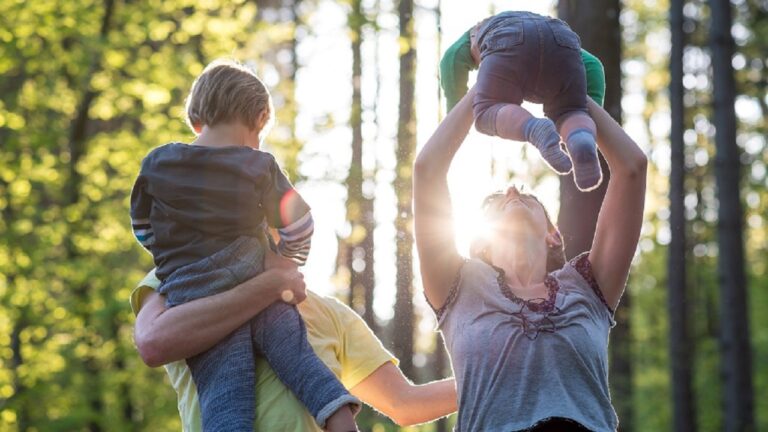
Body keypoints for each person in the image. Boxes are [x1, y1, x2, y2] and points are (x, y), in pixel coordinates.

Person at [129, 59, 357, 431]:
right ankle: (339, 419)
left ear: (195, 118)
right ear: (260, 117)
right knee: (300, 362)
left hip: (193, 291)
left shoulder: (157, 163)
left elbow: (142, 226)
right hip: (252, 272)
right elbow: (300, 225)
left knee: (224, 394)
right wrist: (283, 260)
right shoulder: (258, 165)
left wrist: (170, 257)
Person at [413, 84, 647, 431]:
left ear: (553, 235)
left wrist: (566, 86)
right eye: (494, 201)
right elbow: (427, 170)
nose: (511, 190)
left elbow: (632, 167)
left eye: (528, 195)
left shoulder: (588, 285)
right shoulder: (459, 287)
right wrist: (488, 83)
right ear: (482, 243)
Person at [131, 248, 458, 431]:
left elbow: (404, 403)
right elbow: (152, 342)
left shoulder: (332, 314)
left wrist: (489, 377)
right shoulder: (182, 280)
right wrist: (267, 288)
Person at [440, 11, 605, 191]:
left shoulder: (471, 37)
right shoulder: (539, 28)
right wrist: (586, 111)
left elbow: (451, 60)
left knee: (487, 111)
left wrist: (454, 124)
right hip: (561, 38)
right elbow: (593, 64)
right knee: (570, 112)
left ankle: (534, 129)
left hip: (506, 40)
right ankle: (582, 139)